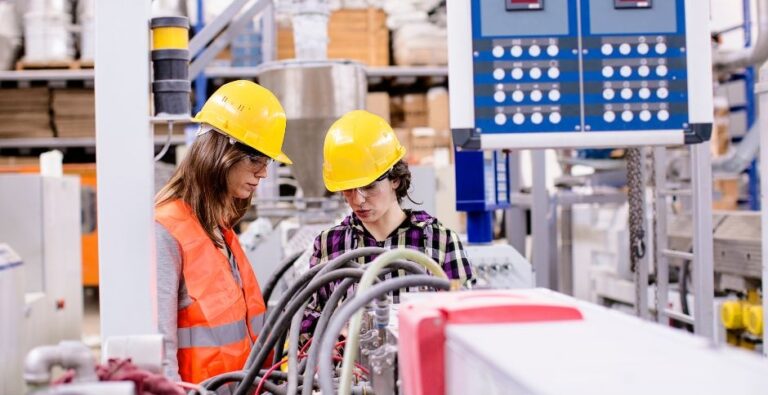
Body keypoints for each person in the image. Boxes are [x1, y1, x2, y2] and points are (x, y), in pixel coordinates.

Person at [154, 80, 292, 384]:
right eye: (255, 159)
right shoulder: (166, 231)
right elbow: (159, 349)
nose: (264, 172)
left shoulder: (219, 229)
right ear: (219, 151)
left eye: (267, 160)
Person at [304, 110, 472, 330]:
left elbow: (466, 322)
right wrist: (338, 331)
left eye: (369, 187)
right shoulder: (330, 245)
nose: (358, 200)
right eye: (348, 189)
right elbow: (305, 324)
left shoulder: (440, 242)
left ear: (395, 179)